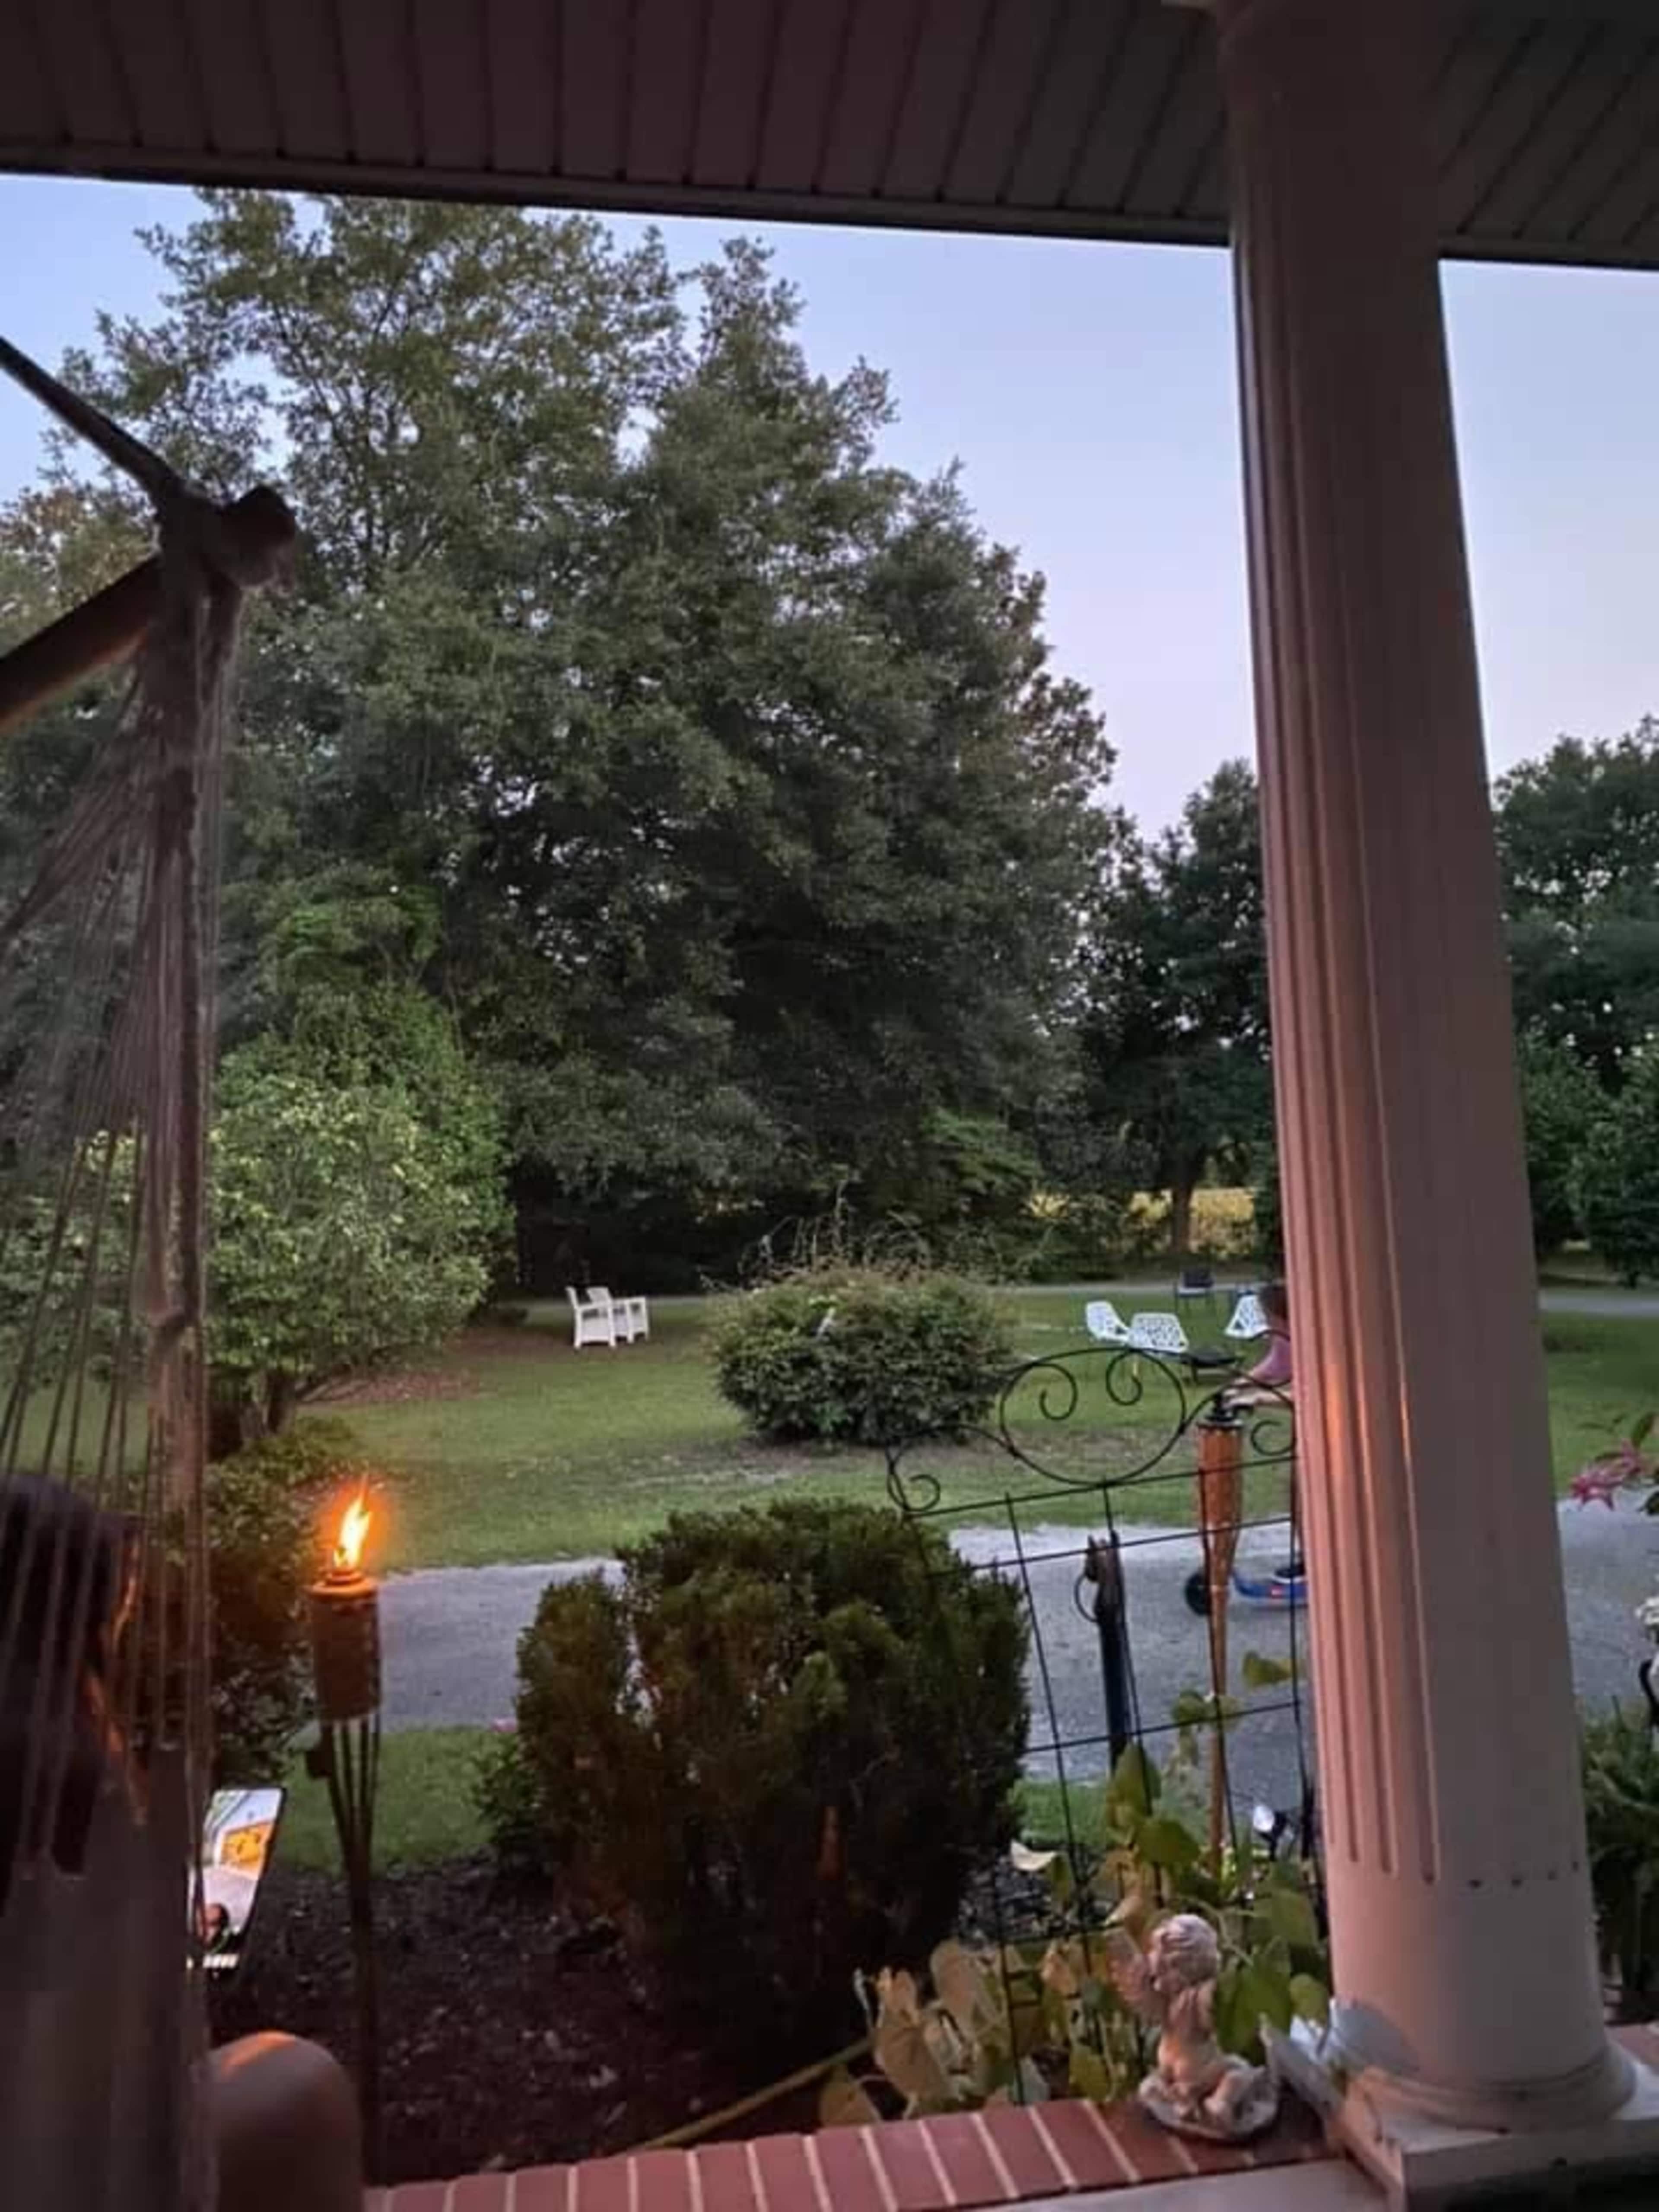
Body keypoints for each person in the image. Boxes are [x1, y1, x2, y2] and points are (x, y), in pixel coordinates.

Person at [0, 1472, 360, 2212]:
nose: (128, 1613)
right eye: (117, 1595)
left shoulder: (45, 1723)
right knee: (304, 2085)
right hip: (49, 2142)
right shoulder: (53, 1768)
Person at [1246, 1279, 1292, 1390]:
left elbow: (1301, 1394)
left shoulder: (1302, 1340)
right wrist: (1238, 1384)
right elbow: (1271, 1366)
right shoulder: (1281, 1339)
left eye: (1266, 1314)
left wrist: (1259, 1399)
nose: (1265, 1320)